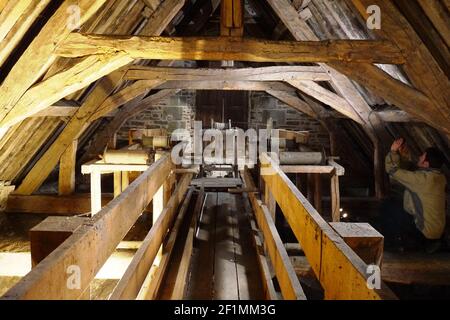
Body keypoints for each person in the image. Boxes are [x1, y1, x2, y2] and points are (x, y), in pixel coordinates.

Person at [379, 138, 447, 253]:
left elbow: (392, 170)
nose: (419, 157)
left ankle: (392, 246)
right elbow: (411, 173)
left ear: (426, 163)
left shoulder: (422, 180)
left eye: (422, 156)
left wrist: (393, 152)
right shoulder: (439, 177)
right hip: (436, 232)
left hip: (424, 232)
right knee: (395, 206)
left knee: (387, 206)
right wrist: (403, 157)